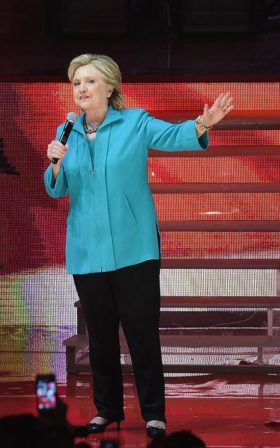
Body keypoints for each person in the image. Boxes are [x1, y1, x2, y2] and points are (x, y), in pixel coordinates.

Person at [44, 54, 234, 437]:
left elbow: (171, 135)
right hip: (86, 251)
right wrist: (55, 164)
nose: (81, 89)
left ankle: (153, 413)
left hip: (135, 249)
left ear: (109, 88)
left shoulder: (134, 122)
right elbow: (56, 188)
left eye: (90, 81)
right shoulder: (68, 134)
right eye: (77, 82)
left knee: (141, 334)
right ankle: (106, 410)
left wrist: (202, 123)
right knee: (99, 339)